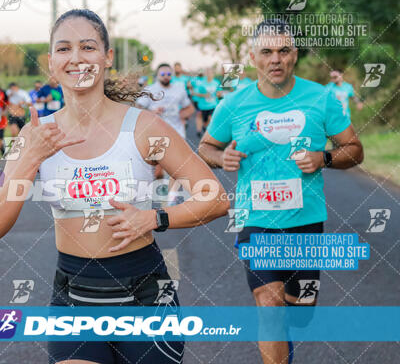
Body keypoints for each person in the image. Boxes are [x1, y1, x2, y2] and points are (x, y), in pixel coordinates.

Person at [0, 8, 229, 364]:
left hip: (144, 294)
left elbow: (215, 198)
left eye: (88, 47)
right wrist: (31, 158)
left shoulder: (144, 127)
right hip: (74, 297)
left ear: (107, 57)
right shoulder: (34, 135)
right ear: (51, 63)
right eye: (64, 49)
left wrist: (154, 219)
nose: (77, 58)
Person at [197, 19, 364, 364]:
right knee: (269, 306)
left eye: (283, 51)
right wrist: (221, 156)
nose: (275, 59)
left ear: (295, 56)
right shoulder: (234, 104)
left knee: (299, 313)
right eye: (267, 51)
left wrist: (325, 158)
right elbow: (206, 148)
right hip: (255, 218)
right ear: (253, 56)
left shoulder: (321, 98)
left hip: (306, 221)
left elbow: (354, 149)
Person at [137, 63, 195, 205]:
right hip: (156, 134)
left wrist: (184, 114)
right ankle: (162, 190)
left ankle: (172, 197)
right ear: (157, 75)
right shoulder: (150, 90)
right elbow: (138, 109)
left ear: (172, 76)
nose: (166, 76)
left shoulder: (179, 89)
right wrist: (152, 113)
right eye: (163, 74)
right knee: (158, 171)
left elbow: (189, 108)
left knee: (175, 166)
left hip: (176, 131)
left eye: (169, 74)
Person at [190, 67, 219, 138]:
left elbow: (219, 92)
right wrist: (204, 95)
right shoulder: (201, 83)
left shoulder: (216, 82)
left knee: (210, 118)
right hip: (202, 105)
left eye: (211, 73)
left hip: (213, 105)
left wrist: (219, 94)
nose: (209, 74)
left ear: (213, 74)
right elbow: (194, 93)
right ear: (205, 74)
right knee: (203, 119)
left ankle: (205, 131)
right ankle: (203, 127)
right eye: (208, 73)